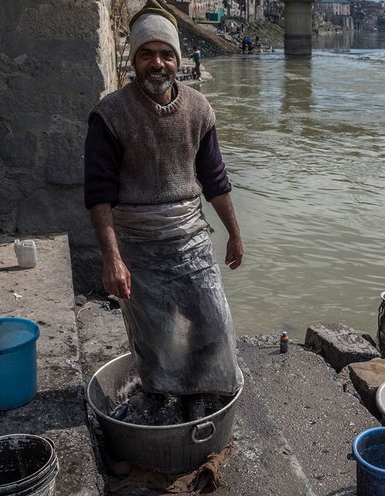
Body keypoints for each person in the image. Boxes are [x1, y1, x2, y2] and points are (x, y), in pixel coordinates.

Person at [84, 0, 244, 421]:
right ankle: (163, 400)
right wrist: (112, 259)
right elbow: (98, 194)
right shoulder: (110, 115)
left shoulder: (198, 109)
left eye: (166, 54)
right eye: (147, 54)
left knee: (214, 322)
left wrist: (234, 232)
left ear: (178, 59)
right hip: (136, 240)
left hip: (190, 234)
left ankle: (203, 391)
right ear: (133, 59)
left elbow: (215, 180)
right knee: (155, 336)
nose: (158, 63)